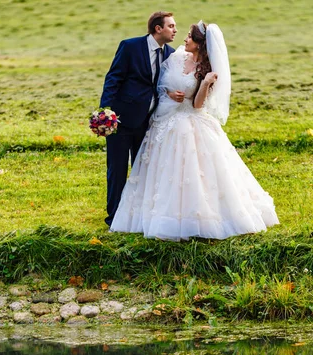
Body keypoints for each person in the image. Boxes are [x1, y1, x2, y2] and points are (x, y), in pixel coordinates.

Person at [111, 22, 280, 240]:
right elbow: (161, 84)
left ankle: (193, 217)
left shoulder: (208, 70)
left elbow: (198, 105)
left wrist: (205, 84)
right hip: (163, 119)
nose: (185, 39)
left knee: (190, 168)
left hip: (189, 120)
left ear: (200, 44)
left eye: (190, 37)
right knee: (157, 169)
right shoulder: (176, 57)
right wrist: (170, 93)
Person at [100, 12, 177, 227]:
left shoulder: (169, 54)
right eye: (171, 26)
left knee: (141, 170)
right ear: (157, 28)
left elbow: (162, 84)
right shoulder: (130, 47)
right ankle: (114, 217)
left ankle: (136, 215)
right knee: (117, 170)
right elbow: (113, 78)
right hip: (120, 120)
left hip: (147, 122)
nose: (175, 30)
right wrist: (105, 112)